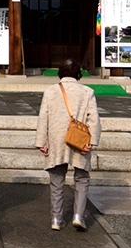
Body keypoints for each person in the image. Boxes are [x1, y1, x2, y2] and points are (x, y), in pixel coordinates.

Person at [35, 58, 101, 230]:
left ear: (60, 73)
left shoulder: (50, 91)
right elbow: (93, 120)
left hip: (56, 139)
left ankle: (56, 219)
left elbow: (44, 117)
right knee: (82, 177)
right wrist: (92, 141)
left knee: (56, 179)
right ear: (79, 74)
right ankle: (79, 216)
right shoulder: (87, 92)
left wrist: (42, 141)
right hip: (79, 139)